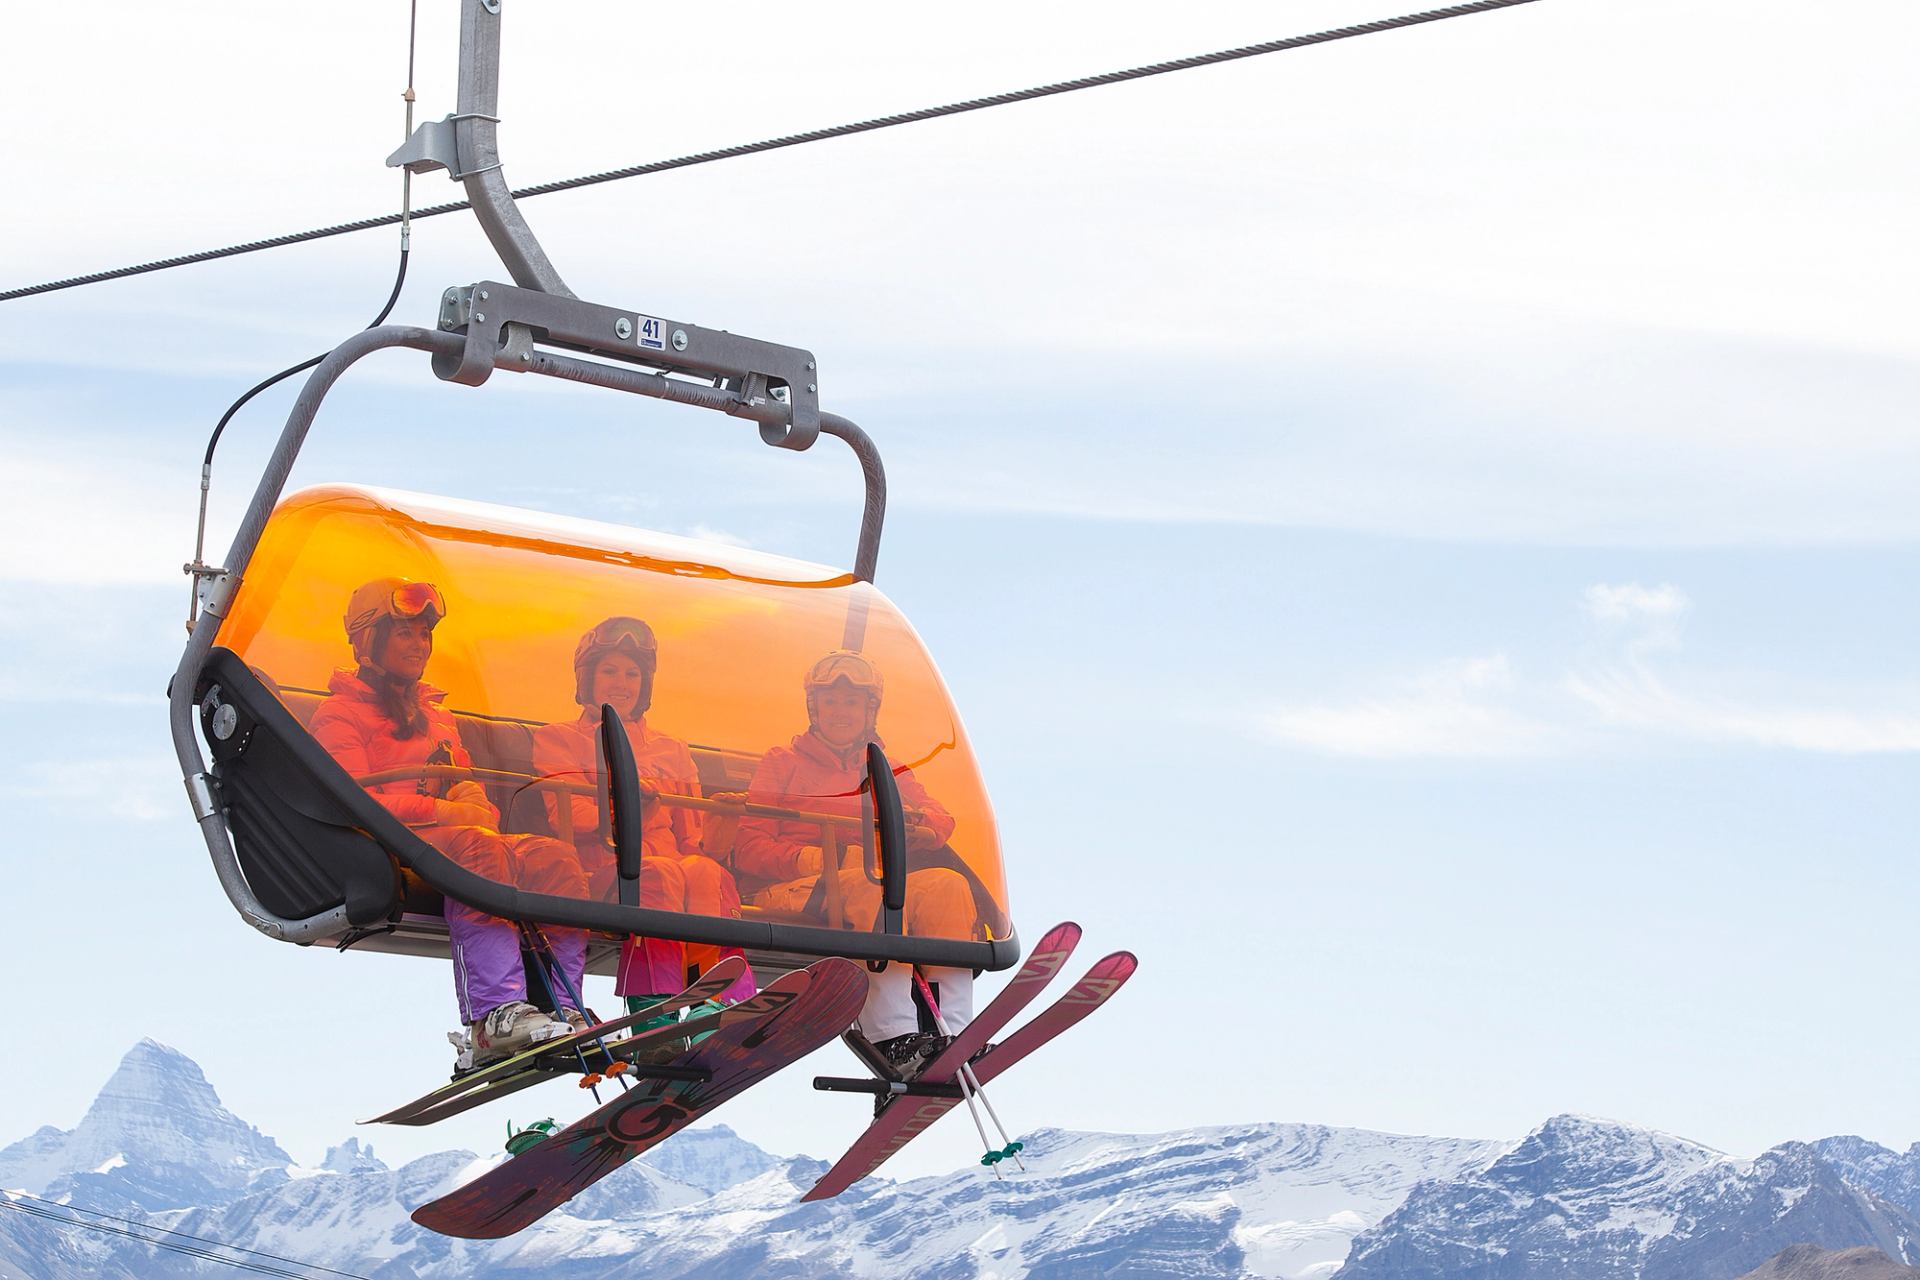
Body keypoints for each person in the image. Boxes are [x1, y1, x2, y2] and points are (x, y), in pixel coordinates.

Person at [309, 578, 592, 1064]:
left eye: (424, 635)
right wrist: (444, 811)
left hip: (453, 838)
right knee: (479, 852)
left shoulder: (436, 716)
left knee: (555, 860)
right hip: (384, 848)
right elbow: (352, 802)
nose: (419, 645)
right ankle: (493, 1015)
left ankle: (560, 1007)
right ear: (368, 639)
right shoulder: (338, 716)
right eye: (405, 633)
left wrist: (471, 800)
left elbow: (462, 780)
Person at [734, 650, 977, 1076]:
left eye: (851, 702)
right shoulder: (783, 763)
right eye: (830, 701)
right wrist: (807, 858)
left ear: (870, 709)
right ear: (814, 708)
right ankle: (891, 1036)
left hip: (870, 884)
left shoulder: (884, 766)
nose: (840, 711)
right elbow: (748, 845)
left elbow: (939, 814)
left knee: (946, 887)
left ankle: (953, 1031)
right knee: (873, 888)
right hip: (797, 889)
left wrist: (923, 828)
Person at [532, 617, 757, 1025]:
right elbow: (572, 816)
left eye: (632, 673)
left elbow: (697, 843)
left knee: (707, 873)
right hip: (601, 869)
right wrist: (631, 807)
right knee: (657, 876)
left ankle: (715, 1000)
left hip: (670, 866)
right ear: (587, 677)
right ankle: (653, 1006)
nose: (622, 682)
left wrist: (723, 819)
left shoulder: (671, 749)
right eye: (610, 671)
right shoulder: (558, 738)